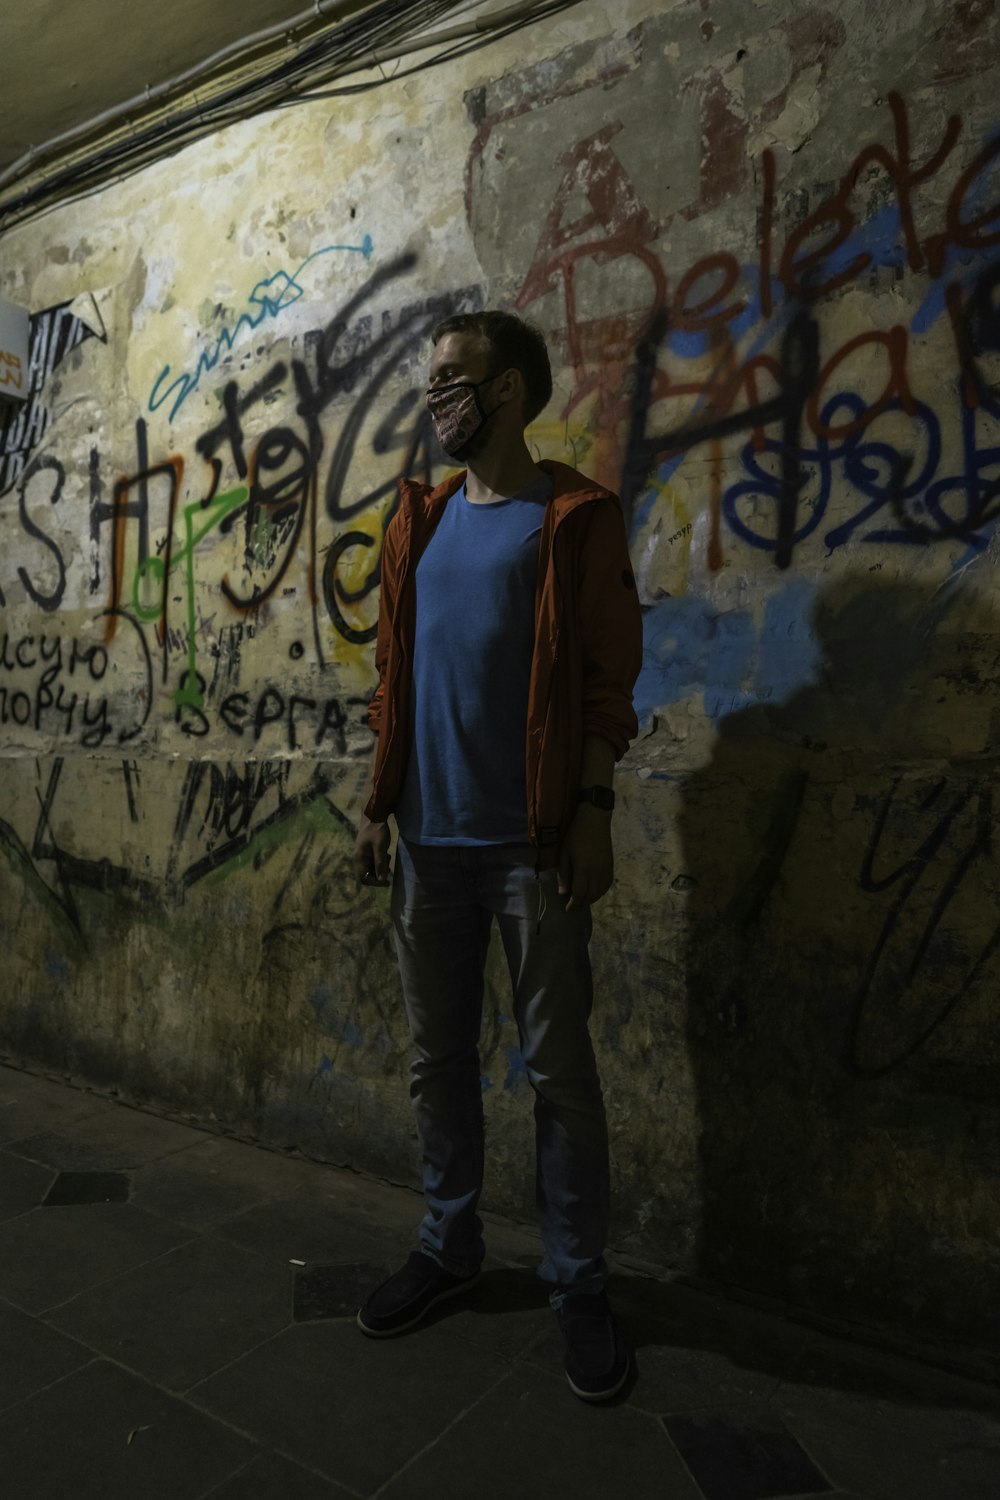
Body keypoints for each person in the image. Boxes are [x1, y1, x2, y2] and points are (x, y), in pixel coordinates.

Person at [352, 309, 643, 1401]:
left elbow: (610, 682)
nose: (437, 402)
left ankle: (576, 1285)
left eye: (453, 382)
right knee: (438, 1062)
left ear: (511, 390)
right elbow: (395, 680)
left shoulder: (572, 518)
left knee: (558, 1072)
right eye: (432, 384)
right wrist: (378, 803)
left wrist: (594, 809)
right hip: (426, 846)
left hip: (531, 847)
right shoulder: (417, 522)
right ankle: (449, 1245)